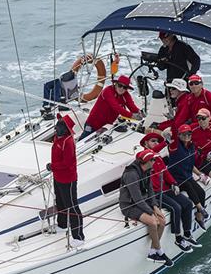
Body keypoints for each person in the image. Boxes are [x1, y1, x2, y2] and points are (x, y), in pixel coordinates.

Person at [139, 132, 200, 251]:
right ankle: (178, 238)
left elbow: (165, 173)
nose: (156, 143)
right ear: (146, 143)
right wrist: (165, 143)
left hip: (165, 189)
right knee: (176, 208)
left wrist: (174, 183)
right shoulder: (141, 157)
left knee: (187, 203)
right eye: (153, 141)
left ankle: (187, 233)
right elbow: (152, 153)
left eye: (157, 141)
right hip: (154, 193)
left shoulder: (158, 158)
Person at [119, 149, 172, 265]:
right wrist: (151, 213)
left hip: (142, 202)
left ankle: (153, 252)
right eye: (153, 159)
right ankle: (160, 251)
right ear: (148, 161)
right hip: (129, 205)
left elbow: (151, 191)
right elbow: (137, 199)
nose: (155, 161)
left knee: (162, 220)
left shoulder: (147, 170)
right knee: (153, 222)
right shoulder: (131, 174)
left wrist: (155, 207)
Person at [47, 114, 84, 246]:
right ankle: (62, 224)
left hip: (68, 179)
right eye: (58, 124)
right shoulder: (57, 138)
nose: (57, 127)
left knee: (72, 206)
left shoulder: (68, 142)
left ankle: (78, 236)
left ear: (66, 128)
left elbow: (67, 163)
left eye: (61, 125)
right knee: (61, 202)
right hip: (58, 177)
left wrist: (52, 166)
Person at [167, 124, 210, 230]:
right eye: (184, 134)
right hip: (175, 180)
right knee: (188, 185)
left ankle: (199, 216)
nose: (187, 135)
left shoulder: (191, 147)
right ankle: (201, 208)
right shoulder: (175, 146)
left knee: (201, 192)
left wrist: (200, 172)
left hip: (187, 176)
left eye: (189, 133)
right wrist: (173, 121)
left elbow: (192, 163)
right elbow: (173, 136)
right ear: (179, 135)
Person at [80, 75, 143, 140]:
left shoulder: (125, 94)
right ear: (115, 84)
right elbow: (116, 107)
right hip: (93, 124)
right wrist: (131, 116)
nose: (122, 88)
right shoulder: (107, 91)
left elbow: (131, 106)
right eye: (120, 85)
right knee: (83, 141)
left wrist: (139, 112)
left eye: (125, 87)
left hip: (105, 126)